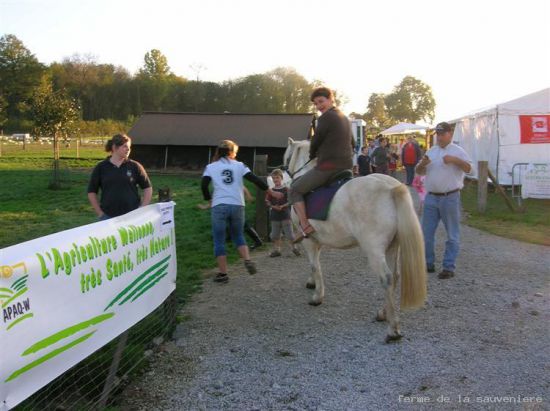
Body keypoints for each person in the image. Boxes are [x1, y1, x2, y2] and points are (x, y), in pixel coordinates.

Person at [201, 139, 283, 283]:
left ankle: (223, 274)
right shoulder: (239, 165)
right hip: (238, 204)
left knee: (219, 240)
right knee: (238, 235)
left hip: (219, 205)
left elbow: (204, 185)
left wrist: (209, 199)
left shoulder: (211, 167)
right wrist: (271, 192)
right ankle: (247, 260)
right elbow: (255, 179)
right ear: (232, 152)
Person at [289, 86, 354, 241]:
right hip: (346, 165)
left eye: (321, 101)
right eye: (316, 104)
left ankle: (305, 226)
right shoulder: (345, 117)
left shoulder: (324, 118)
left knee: (294, 190)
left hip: (328, 167)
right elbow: (353, 141)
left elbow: (316, 140)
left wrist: (312, 154)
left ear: (331, 99)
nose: (319, 106)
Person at [415, 122, 472, 280]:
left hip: (450, 197)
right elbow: (419, 172)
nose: (439, 137)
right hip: (431, 197)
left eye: (442, 134)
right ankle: (428, 263)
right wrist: (422, 164)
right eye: (437, 134)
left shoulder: (458, 151)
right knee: (426, 233)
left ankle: (448, 267)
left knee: (452, 234)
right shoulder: (432, 151)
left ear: (450, 134)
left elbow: (469, 169)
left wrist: (455, 160)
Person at [87, 134, 152, 220]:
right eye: (125, 146)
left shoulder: (135, 166)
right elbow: (91, 191)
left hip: (132, 216)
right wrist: (100, 213)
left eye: (129, 147)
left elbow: (148, 188)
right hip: (108, 217)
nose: (128, 149)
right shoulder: (101, 167)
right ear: (114, 147)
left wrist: (142, 208)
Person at [265, 169, 301, 257]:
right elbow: (267, 201)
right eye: (273, 178)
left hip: (285, 215)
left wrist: (283, 206)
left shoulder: (286, 190)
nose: (275, 180)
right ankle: (277, 250)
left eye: (277, 177)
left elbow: (290, 201)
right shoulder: (270, 191)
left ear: (281, 178)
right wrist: (273, 206)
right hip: (274, 216)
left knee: (290, 234)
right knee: (274, 235)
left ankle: (294, 248)